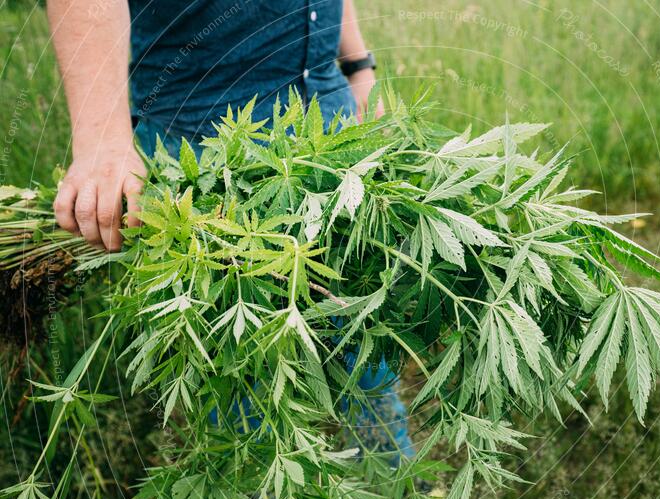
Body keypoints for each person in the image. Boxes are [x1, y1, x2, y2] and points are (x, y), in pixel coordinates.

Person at [47, 0, 413, 462]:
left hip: (331, 128)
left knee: (361, 330)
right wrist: (103, 141)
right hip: (209, 153)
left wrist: (357, 65)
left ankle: (395, 478)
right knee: (244, 370)